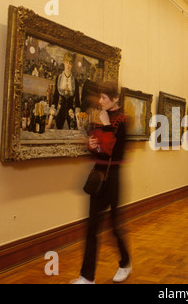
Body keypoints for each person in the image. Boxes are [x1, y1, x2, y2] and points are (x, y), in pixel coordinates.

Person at [71, 82, 131, 284]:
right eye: (100, 97)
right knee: (92, 228)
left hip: (113, 177)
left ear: (115, 98)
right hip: (98, 174)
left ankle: (125, 263)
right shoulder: (101, 118)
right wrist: (90, 145)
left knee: (114, 226)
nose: (100, 101)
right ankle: (87, 277)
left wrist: (105, 126)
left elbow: (113, 151)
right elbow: (99, 149)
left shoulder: (122, 120)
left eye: (104, 97)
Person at [52, 53, 81, 129]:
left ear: (72, 65)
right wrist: (50, 121)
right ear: (64, 62)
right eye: (67, 62)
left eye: (70, 63)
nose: (68, 65)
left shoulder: (75, 81)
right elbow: (55, 98)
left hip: (71, 116)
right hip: (60, 115)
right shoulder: (59, 78)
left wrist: (78, 122)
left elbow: (77, 102)